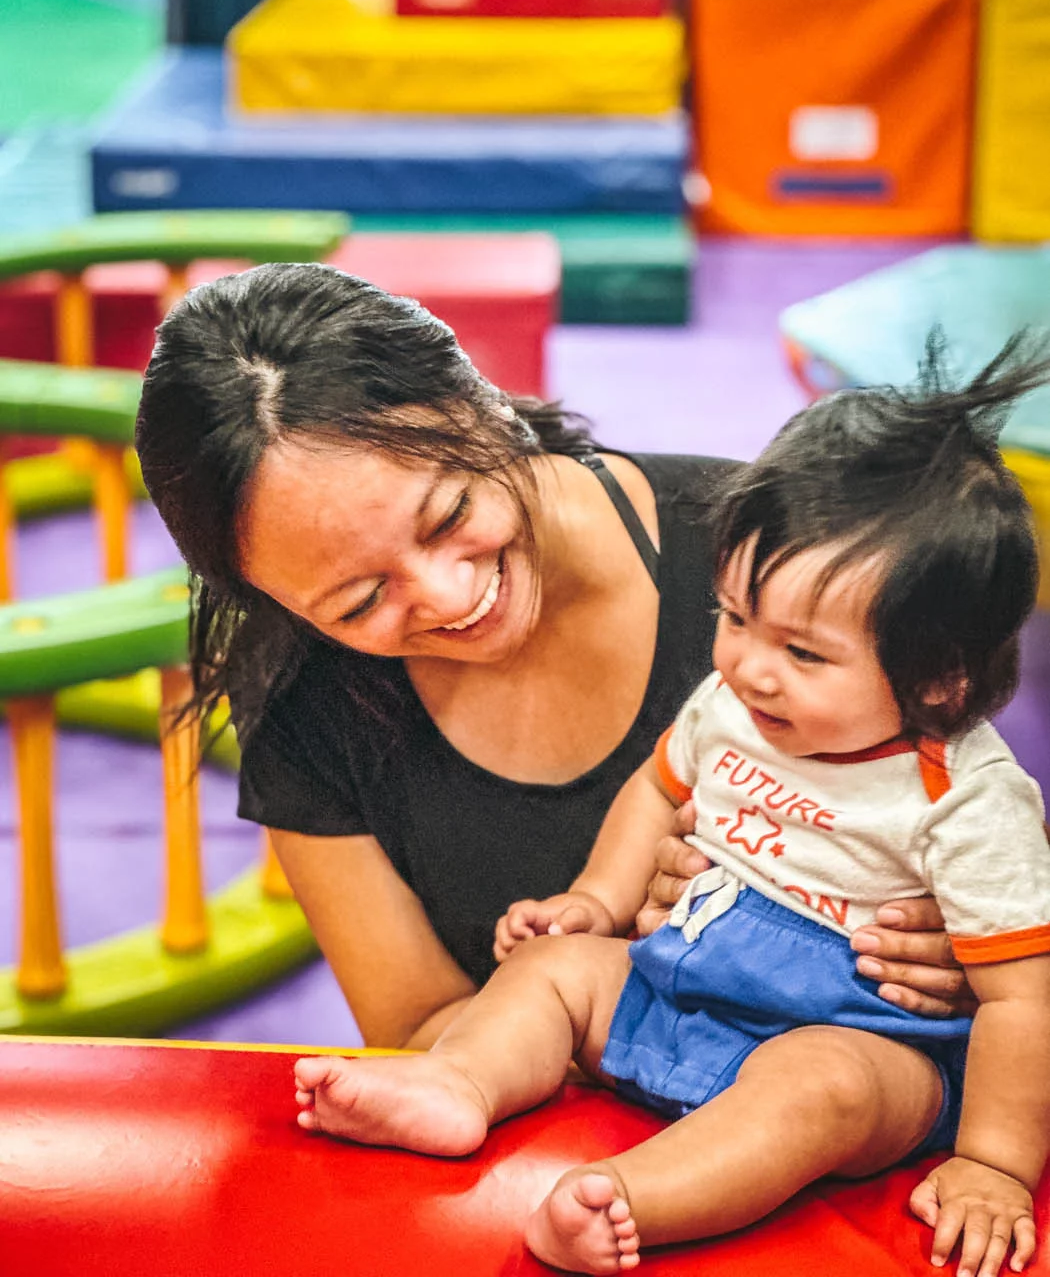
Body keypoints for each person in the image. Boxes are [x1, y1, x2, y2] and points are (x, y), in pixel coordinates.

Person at [290, 333, 1050, 1277]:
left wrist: (993, 1163)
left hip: (860, 1034)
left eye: (803, 654)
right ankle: (458, 1085)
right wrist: (597, 902)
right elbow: (658, 787)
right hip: (680, 980)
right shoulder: (735, 705)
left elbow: (1023, 998)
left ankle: (626, 1199)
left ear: (939, 680)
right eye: (735, 619)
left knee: (820, 1090)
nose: (746, 666)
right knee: (558, 971)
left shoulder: (963, 801)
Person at [135, 260, 971, 1056]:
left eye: (449, 512)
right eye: (359, 601)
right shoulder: (303, 690)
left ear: (480, 403)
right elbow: (420, 1023)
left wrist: (954, 951)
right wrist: (639, 1016)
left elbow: (975, 827)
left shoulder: (774, 564)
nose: (451, 596)